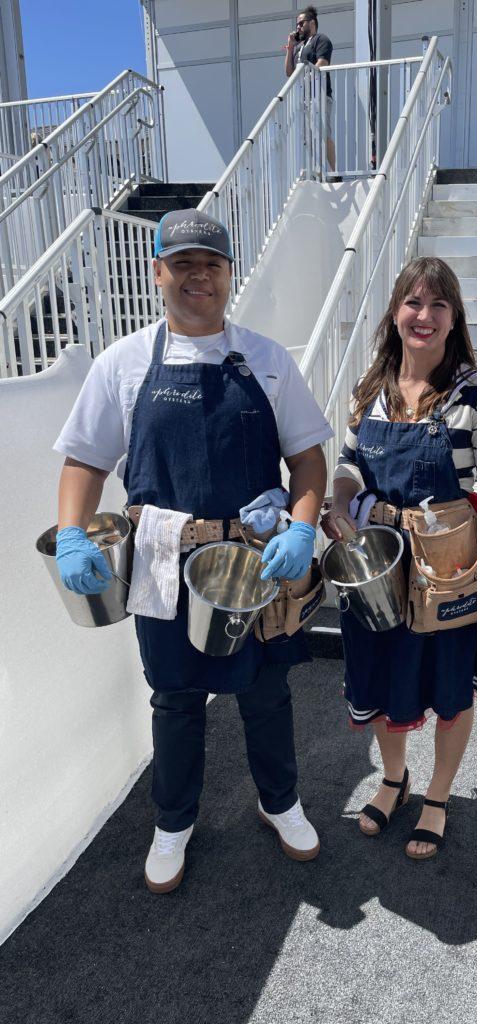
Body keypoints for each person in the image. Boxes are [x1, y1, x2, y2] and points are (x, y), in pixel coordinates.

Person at [53, 208, 333, 893]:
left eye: (210, 264)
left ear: (229, 274)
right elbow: (85, 462)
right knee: (174, 698)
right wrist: (70, 531)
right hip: (161, 561)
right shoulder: (123, 363)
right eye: (182, 264)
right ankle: (172, 822)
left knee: (266, 692)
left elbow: (308, 460)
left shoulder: (267, 360)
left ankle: (280, 803)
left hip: (253, 562)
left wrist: (302, 527)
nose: (197, 277)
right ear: (158, 273)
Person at [321, 256, 477, 860]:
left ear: (454, 317)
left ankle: (437, 794)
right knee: (380, 679)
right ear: (395, 312)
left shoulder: (476, 396)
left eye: (437, 305)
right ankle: (393, 777)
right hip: (378, 569)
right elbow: (349, 465)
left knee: (450, 686)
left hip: (448, 570)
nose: (423, 316)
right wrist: (340, 498)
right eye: (413, 302)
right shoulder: (369, 390)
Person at [285, 5, 338, 177]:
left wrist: (304, 82)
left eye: (301, 23)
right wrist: (290, 48)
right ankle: (317, 170)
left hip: (320, 95)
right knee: (308, 138)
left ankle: (332, 172)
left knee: (323, 133)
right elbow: (289, 73)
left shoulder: (321, 39)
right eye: (297, 24)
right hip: (305, 99)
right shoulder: (299, 48)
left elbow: (322, 64)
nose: (298, 27)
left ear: (312, 22)